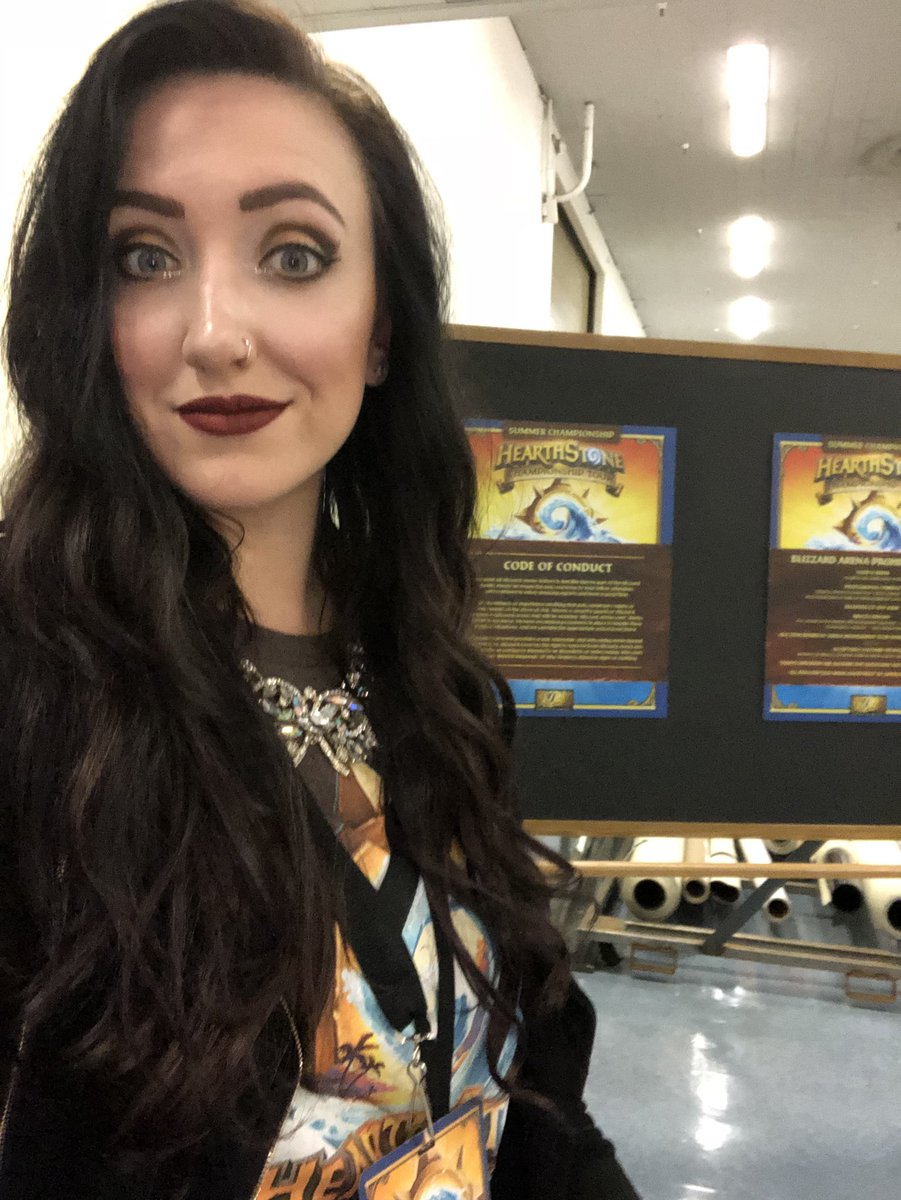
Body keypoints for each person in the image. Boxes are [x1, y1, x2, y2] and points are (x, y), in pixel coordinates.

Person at [0, 2, 642, 1197]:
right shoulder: (34, 691)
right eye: (145, 257)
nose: (214, 334)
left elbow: (534, 1106)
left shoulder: (438, 687)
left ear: (381, 328)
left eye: (292, 255)